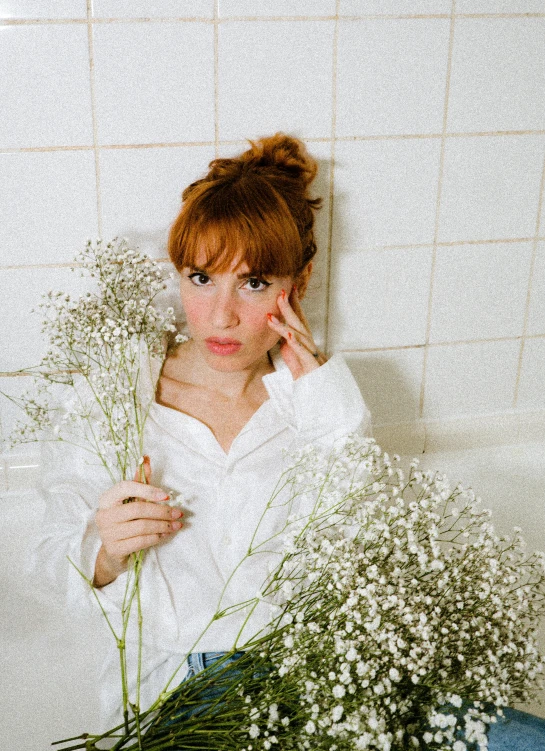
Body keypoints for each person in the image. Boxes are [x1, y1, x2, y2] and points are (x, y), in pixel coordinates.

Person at [31, 132, 545, 748]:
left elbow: (359, 554)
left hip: (322, 672)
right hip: (185, 688)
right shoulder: (118, 395)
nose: (221, 316)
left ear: (296, 284)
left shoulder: (313, 400)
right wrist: (104, 553)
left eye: (253, 283)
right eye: (200, 278)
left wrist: (324, 404)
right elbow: (45, 564)